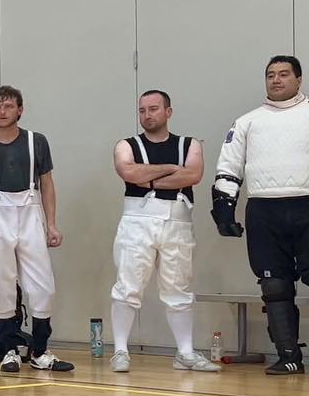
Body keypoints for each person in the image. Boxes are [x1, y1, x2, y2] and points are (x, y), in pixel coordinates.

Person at [0, 86, 73, 373]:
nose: (2, 112)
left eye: (8, 106)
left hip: (29, 212)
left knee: (43, 285)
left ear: (20, 110)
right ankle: (10, 350)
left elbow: (47, 184)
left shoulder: (37, 141)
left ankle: (39, 350)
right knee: (1, 284)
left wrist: (51, 224)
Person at [108, 90, 219, 373]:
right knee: (128, 285)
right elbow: (129, 173)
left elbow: (193, 175)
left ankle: (184, 352)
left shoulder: (190, 144)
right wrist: (171, 169)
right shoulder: (126, 144)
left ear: (168, 112)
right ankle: (120, 350)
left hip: (178, 222)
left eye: (154, 108)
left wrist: (150, 177)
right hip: (137, 222)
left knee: (178, 288)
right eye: (142, 110)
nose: (147, 115)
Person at [213, 55, 309, 375]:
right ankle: (288, 356)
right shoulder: (247, 122)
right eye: (270, 75)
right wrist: (223, 208)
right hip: (264, 210)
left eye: (284, 74)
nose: (276, 80)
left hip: (306, 204)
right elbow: (228, 166)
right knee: (274, 285)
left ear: (299, 80)